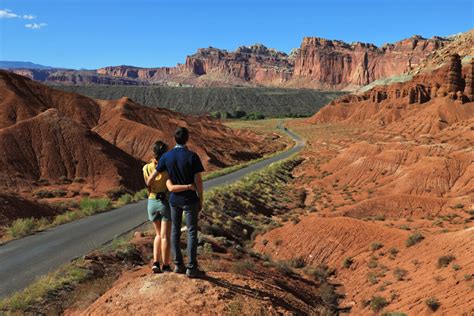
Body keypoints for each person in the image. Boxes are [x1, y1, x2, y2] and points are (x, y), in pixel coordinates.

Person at [146, 127, 205, 278]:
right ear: (187, 139)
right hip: (190, 199)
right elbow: (198, 180)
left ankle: (178, 265)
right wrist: (201, 199)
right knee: (192, 232)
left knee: (175, 231)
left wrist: (151, 187)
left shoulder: (167, 157)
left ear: (175, 139)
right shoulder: (192, 156)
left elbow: (151, 178)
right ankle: (191, 267)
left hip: (174, 200)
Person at [142, 141, 192, 274]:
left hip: (151, 202)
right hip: (165, 202)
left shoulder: (146, 168)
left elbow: (147, 185)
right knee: (165, 236)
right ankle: (165, 265)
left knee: (158, 234)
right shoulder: (168, 168)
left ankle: (155, 263)